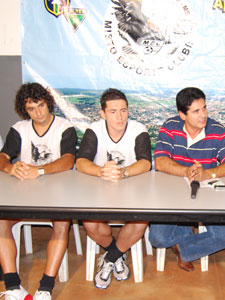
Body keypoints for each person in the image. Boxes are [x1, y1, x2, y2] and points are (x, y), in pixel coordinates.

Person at [0, 83, 77, 300]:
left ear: (48, 103)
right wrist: (9, 167)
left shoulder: (64, 127)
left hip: (57, 194)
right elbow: (3, 156)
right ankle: (13, 286)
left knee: (62, 224)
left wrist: (40, 170)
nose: (38, 112)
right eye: (31, 109)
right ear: (25, 110)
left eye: (41, 105)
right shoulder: (20, 129)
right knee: (1, 222)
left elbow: (68, 161)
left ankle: (46, 287)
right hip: (24, 194)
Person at [149, 87, 225, 271]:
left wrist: (207, 173)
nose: (203, 115)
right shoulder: (170, 127)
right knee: (157, 238)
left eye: (204, 108)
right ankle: (187, 233)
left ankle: (185, 249)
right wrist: (185, 171)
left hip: (208, 197)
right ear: (182, 114)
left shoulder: (217, 130)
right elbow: (160, 162)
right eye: (196, 111)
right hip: (173, 194)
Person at [76, 88, 151, 289]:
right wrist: (101, 171)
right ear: (103, 114)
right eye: (113, 111)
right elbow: (81, 162)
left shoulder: (138, 129)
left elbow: (145, 163)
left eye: (124, 110)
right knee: (90, 224)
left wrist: (123, 172)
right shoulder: (95, 129)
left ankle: (110, 259)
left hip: (132, 189)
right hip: (102, 189)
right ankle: (117, 253)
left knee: (141, 221)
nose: (120, 116)